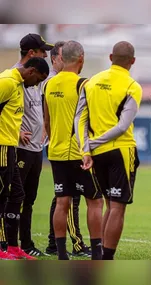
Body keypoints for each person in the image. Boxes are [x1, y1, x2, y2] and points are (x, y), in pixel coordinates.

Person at [75, 41, 142, 260]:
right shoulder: (132, 86)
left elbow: (80, 117)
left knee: (108, 204)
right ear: (132, 61)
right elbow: (123, 126)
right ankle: (107, 258)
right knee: (117, 207)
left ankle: (100, 255)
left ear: (111, 57)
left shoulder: (91, 81)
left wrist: (87, 147)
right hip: (120, 150)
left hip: (96, 153)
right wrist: (95, 143)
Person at [44, 41, 103, 260]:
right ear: (81, 58)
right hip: (80, 154)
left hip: (56, 152)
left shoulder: (49, 84)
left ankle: (61, 255)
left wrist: (55, 141)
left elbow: (47, 121)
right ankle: (97, 253)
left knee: (62, 202)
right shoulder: (83, 84)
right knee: (94, 201)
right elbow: (91, 120)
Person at [0, 57, 49, 260]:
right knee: (2, 196)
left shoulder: (19, 84)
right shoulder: (7, 82)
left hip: (11, 146)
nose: (37, 84)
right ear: (31, 71)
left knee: (17, 195)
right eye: (39, 79)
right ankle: (2, 247)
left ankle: (12, 246)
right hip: (2, 146)